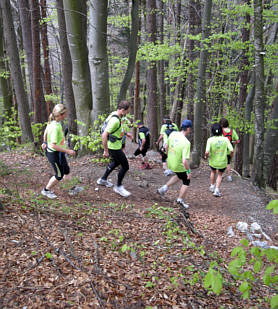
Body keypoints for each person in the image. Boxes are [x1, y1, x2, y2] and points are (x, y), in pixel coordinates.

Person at [97, 101, 131, 197]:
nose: (127, 114)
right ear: (123, 110)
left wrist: (126, 133)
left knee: (115, 162)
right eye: (127, 112)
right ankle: (118, 187)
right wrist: (105, 150)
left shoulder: (115, 114)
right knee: (125, 166)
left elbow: (116, 130)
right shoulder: (115, 120)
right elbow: (104, 135)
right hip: (113, 147)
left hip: (115, 145)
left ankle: (103, 179)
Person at [41, 104, 76, 199]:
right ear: (61, 114)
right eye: (65, 113)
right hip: (54, 154)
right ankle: (46, 190)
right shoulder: (55, 127)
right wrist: (68, 151)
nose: (66, 115)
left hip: (59, 153)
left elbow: (45, 132)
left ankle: (71, 189)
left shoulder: (53, 122)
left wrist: (44, 142)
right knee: (59, 175)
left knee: (66, 170)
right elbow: (53, 145)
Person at [157, 119, 192, 209]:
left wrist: (169, 156)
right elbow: (184, 161)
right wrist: (188, 171)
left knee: (179, 175)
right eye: (190, 128)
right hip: (178, 164)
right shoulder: (186, 142)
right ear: (188, 129)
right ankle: (179, 201)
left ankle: (163, 189)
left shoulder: (173, 134)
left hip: (170, 162)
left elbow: (166, 146)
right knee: (186, 180)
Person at [205, 123, 234, 197]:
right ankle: (217, 190)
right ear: (221, 131)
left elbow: (207, 152)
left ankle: (212, 186)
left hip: (213, 161)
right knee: (220, 175)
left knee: (213, 172)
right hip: (223, 161)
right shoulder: (225, 139)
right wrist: (230, 156)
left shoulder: (210, 140)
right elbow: (232, 150)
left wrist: (207, 156)